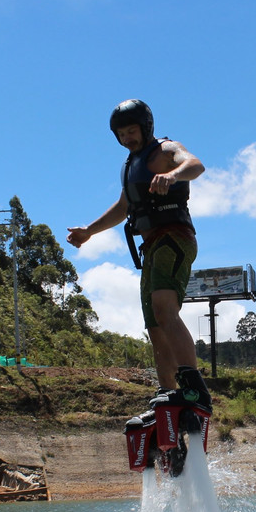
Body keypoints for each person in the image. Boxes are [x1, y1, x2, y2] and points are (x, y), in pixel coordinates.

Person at [67, 99, 212, 419]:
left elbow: (195, 165)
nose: (126, 138)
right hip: (151, 248)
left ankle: (194, 387)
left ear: (145, 127)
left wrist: (172, 175)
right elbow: (124, 207)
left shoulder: (165, 150)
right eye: (120, 134)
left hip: (174, 238)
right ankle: (169, 393)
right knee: (154, 324)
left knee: (164, 307)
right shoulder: (131, 165)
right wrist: (89, 231)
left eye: (131, 131)